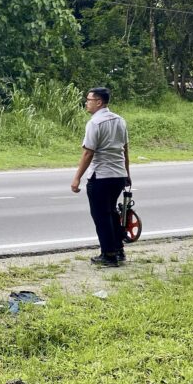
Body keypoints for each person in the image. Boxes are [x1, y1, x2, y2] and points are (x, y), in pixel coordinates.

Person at [71, 87, 131, 267]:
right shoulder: (120, 121)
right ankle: (118, 250)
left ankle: (109, 254)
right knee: (112, 212)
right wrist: (127, 173)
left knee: (101, 216)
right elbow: (125, 149)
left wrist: (77, 178)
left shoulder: (94, 123)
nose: (86, 103)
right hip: (118, 175)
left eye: (89, 100)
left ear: (99, 102)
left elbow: (88, 153)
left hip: (101, 176)